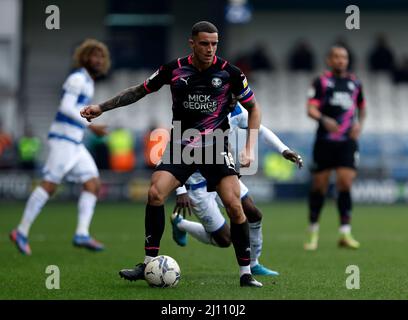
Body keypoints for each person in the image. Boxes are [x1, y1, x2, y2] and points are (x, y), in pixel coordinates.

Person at [81, 21, 265, 287]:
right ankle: (147, 265)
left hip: (215, 146)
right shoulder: (174, 69)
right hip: (182, 144)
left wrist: (250, 148)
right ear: (192, 43)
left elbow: (254, 108)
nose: (210, 49)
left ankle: (245, 273)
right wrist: (101, 107)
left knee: (235, 207)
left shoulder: (230, 73)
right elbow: (138, 91)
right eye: (204, 43)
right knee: (155, 193)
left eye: (214, 44)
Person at [170, 102, 303, 276]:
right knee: (225, 240)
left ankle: (254, 263)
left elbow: (259, 129)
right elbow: (175, 146)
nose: (236, 98)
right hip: (196, 185)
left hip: (222, 174)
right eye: (232, 93)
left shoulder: (236, 110)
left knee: (253, 213)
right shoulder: (199, 106)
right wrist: (181, 190)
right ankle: (181, 224)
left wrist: (283, 150)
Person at [10, 39, 111, 255]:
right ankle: (21, 230)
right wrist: (90, 126)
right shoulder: (77, 78)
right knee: (50, 185)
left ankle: (82, 233)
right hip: (63, 140)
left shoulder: (88, 81)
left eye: (101, 56)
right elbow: (65, 107)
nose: (98, 59)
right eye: (94, 55)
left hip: (74, 143)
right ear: (84, 57)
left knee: (92, 183)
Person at [304, 46, 366, 251]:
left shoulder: (355, 82)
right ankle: (313, 231)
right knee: (319, 186)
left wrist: (359, 124)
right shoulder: (320, 82)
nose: (341, 61)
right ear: (329, 60)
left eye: (344, 57)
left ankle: (345, 233)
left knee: (345, 182)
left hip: (347, 141)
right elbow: (310, 109)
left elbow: (362, 108)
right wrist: (324, 119)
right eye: (337, 57)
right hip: (325, 141)